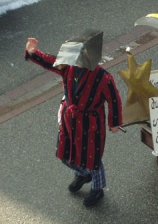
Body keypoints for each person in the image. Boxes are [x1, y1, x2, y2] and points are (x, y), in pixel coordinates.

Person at [25, 29, 123, 207]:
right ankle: (82, 174)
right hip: (70, 121)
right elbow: (51, 62)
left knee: (92, 160)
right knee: (65, 154)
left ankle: (97, 188)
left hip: (91, 125)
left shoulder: (104, 78)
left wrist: (114, 122)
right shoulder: (68, 67)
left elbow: (114, 100)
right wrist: (34, 53)